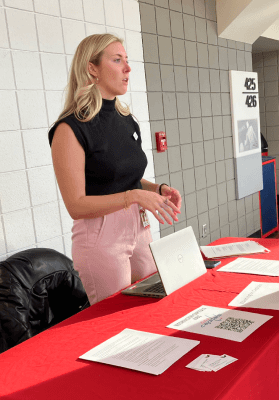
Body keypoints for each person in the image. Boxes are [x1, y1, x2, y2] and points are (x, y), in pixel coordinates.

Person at [48, 34, 182, 305]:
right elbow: (76, 205)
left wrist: (157, 189)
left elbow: (125, 177)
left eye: (127, 60)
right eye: (117, 60)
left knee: (153, 303)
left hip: (138, 226)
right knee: (116, 318)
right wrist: (133, 197)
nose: (127, 68)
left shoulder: (126, 119)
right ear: (92, 68)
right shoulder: (70, 128)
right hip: (100, 235)